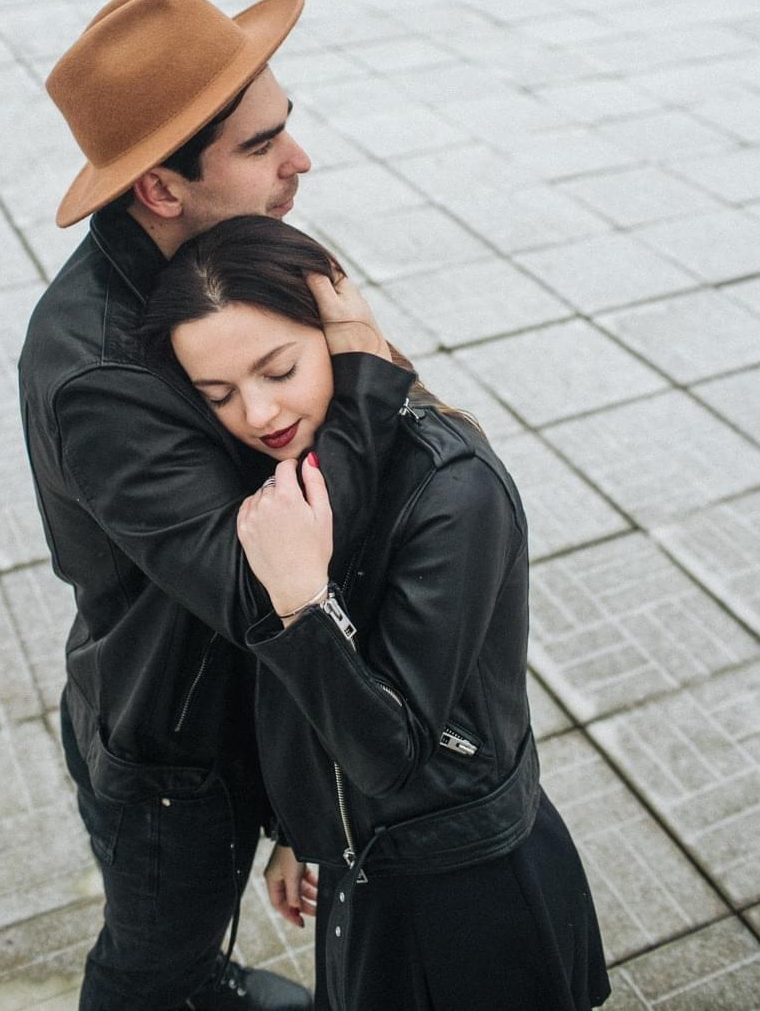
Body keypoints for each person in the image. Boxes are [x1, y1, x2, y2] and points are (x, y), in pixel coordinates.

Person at [18, 0, 414, 1011]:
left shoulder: (206, 267)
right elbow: (259, 582)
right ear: (159, 188)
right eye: (259, 146)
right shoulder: (99, 376)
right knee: (151, 971)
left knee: (186, 950)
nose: (300, 161)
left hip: (239, 707)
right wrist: (364, 371)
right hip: (170, 754)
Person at [142, 215, 612, 1011]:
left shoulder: (453, 490)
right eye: (219, 395)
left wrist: (300, 601)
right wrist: (300, 828)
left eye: (279, 369)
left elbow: (390, 750)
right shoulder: (293, 471)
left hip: (467, 883)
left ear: (339, 336)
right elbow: (298, 699)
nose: (258, 414)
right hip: (365, 870)